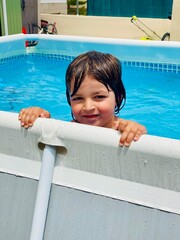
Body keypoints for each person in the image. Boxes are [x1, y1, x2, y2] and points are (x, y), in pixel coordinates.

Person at [19, 51, 147, 146]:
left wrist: (136, 131)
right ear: (69, 101)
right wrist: (39, 116)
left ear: (118, 98)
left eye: (99, 97)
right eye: (78, 98)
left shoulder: (121, 128)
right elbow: (49, 134)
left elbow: (144, 144)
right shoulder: (70, 127)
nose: (88, 107)